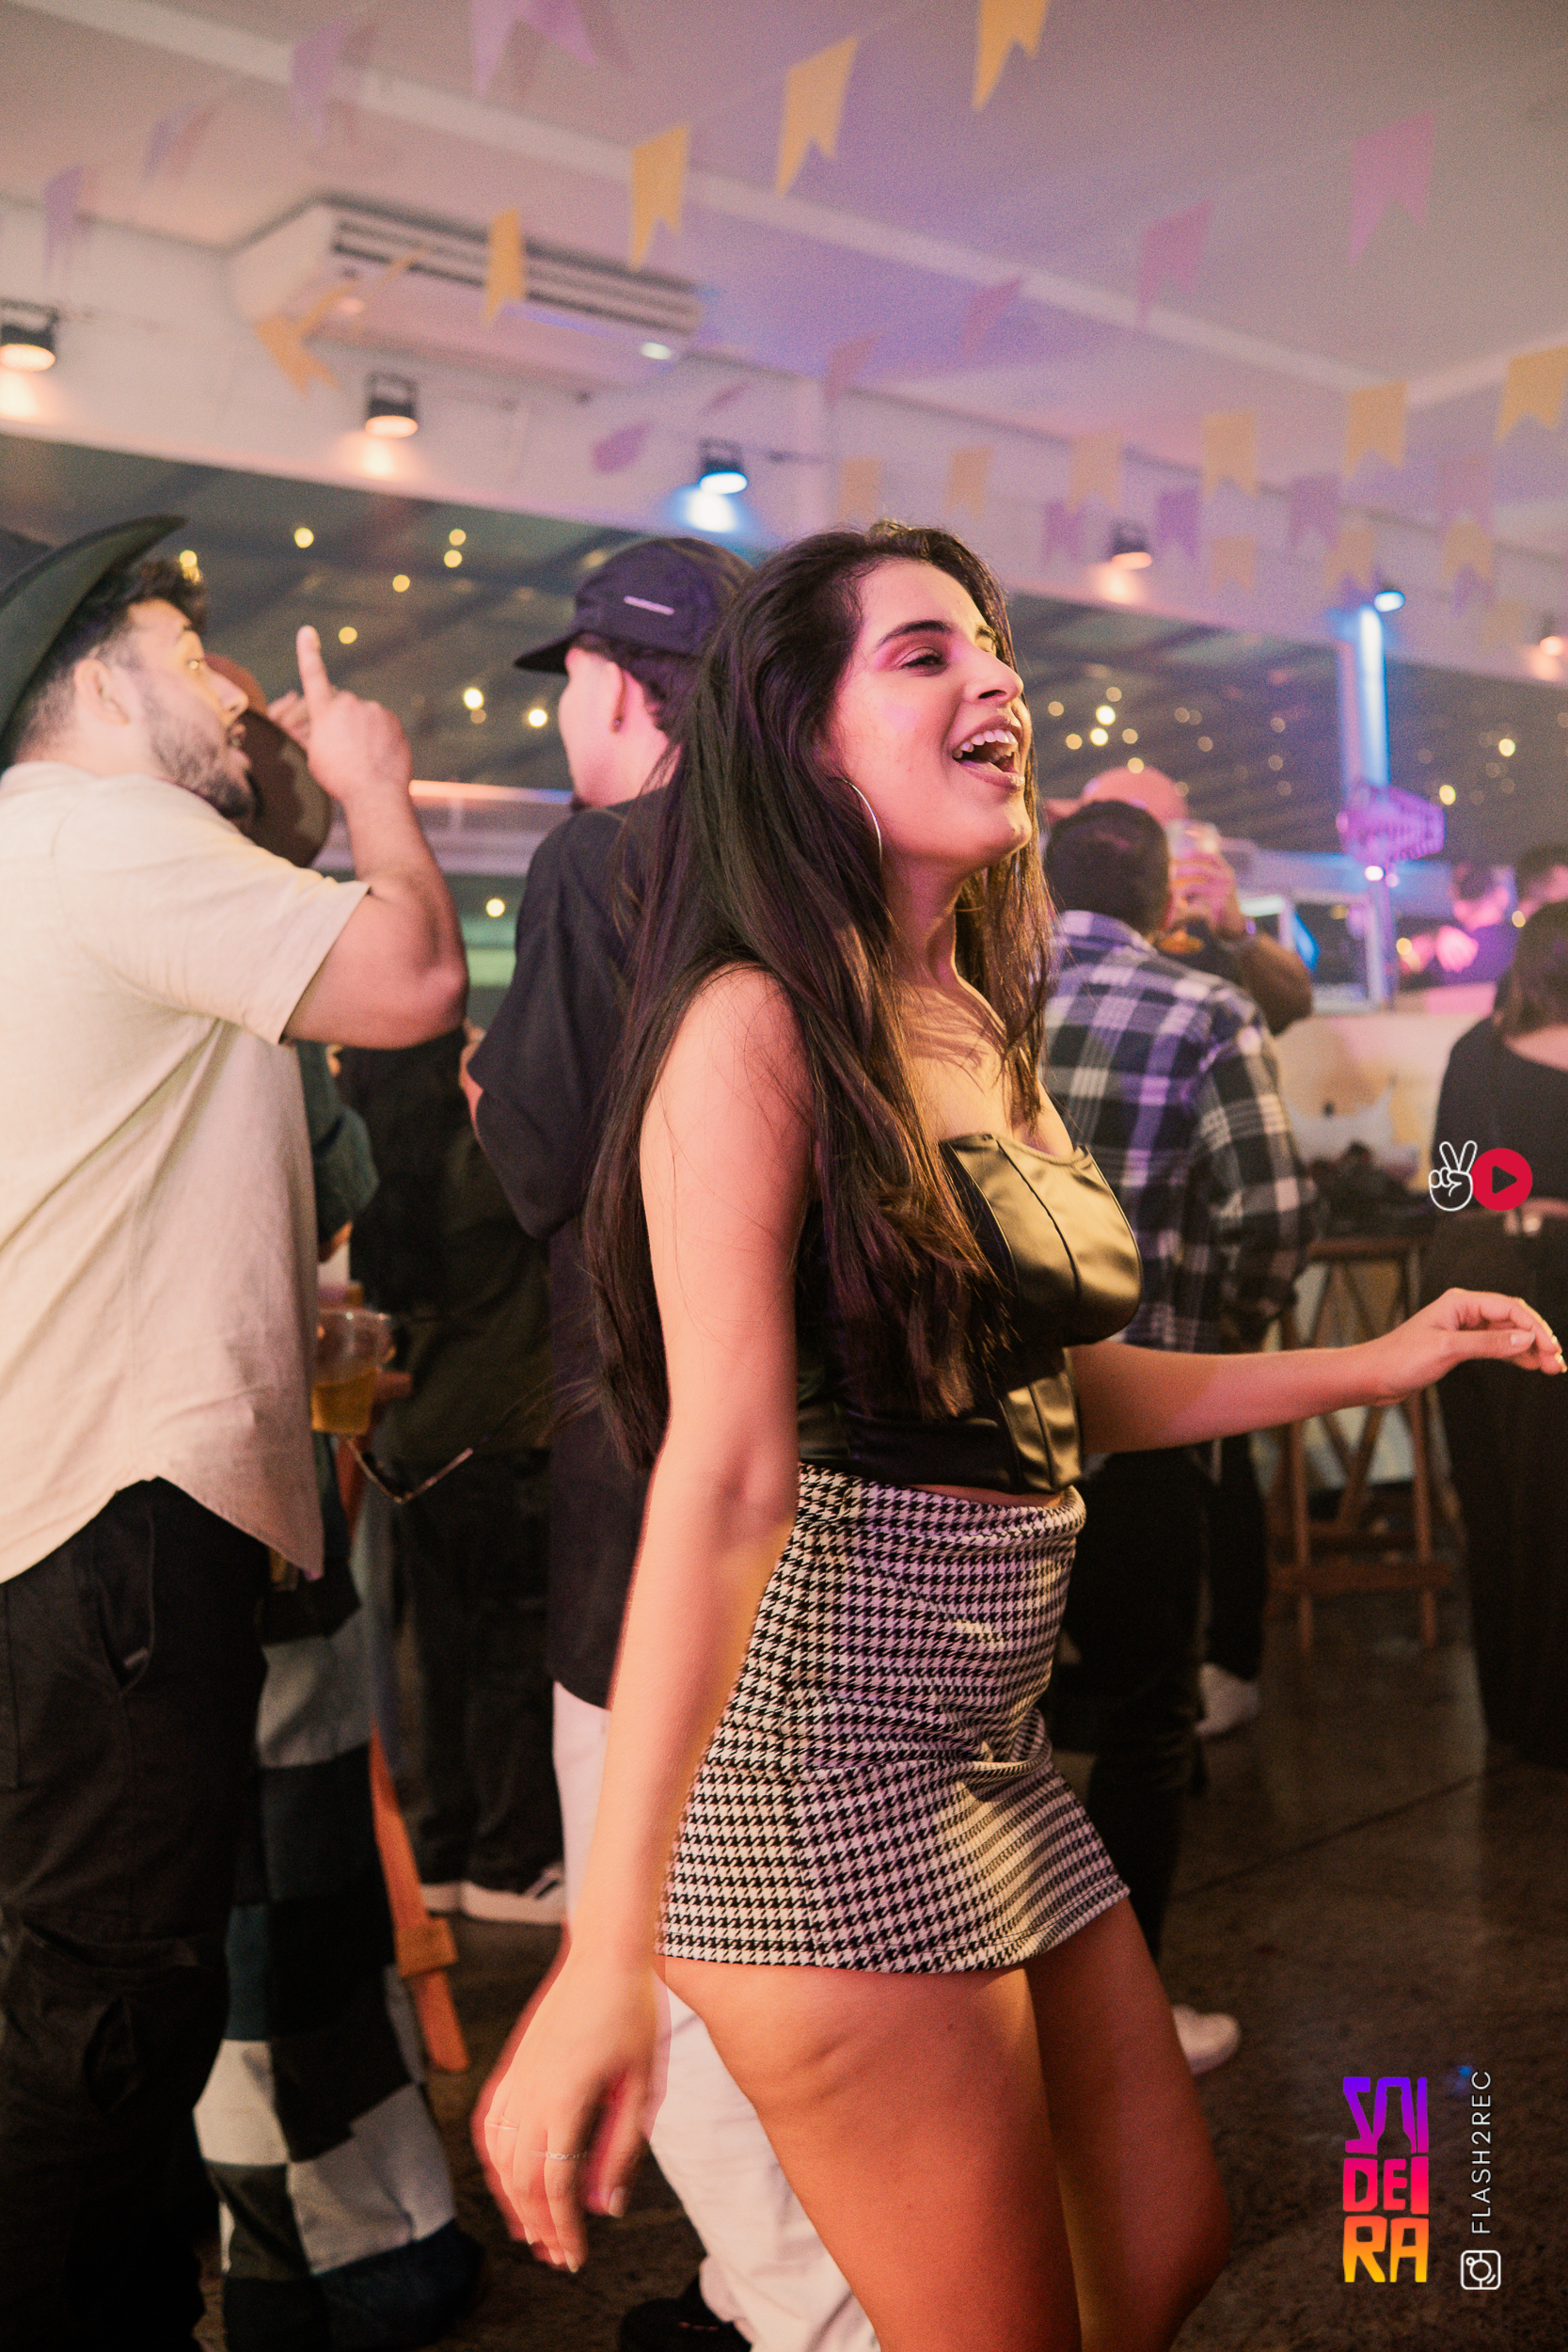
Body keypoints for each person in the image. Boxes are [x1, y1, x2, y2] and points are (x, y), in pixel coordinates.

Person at [473, 523, 1560, 2352]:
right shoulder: (748, 1023)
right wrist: (603, 1949)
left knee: (1156, 2245)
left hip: (989, 1749)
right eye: (923, 653)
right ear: (797, 732)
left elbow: (1052, 1389)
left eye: (992, 647)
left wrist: (1369, 1363)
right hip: (821, 1773)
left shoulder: (965, 1009)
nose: (996, 678)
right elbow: (722, 1476)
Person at [0, 517, 467, 2349]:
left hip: (72, 1504)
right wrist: (375, 788)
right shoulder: (99, 827)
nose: (235, 689)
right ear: (100, 684)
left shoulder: (48, 856)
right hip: (114, 1507)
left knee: (94, 1982)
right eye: (192, 654)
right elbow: (409, 977)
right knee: (110, 2003)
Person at [470, 538, 875, 2352]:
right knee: (801, 1940)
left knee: (674, 1951)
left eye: (569, 678)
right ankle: (779, 2290)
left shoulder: (596, 858)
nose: (562, 712)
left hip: (652, 1477)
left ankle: (807, 2312)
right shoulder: (817, 873)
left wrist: (489, 1091)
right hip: (835, 1486)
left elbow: (539, 1162)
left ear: (627, 691)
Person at [196, 1039, 483, 2352]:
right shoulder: (230, 1017)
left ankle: (223, 2226)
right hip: (232, 1502)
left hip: (51, 1525)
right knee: (280, 1893)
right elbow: (329, 1177)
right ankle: (345, 2255)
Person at [1040, 799, 1317, 2067]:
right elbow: (1274, 1212)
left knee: (987, 1732)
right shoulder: (1203, 1008)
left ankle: (1003, 2025)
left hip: (970, 1437)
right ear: (1161, 902)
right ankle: (1118, 2026)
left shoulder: (961, 996)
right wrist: (1215, 1341)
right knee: (1145, 1724)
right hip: (1141, 1429)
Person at [336, 1030, 561, 1924]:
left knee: (443, 1657)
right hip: (500, 1436)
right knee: (510, 1655)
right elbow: (559, 1185)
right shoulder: (482, 1158)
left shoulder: (379, 1160)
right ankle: (509, 1863)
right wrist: (489, 1072)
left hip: (417, 1444)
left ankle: (445, 1849)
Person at [1426, 899, 1568, 1768]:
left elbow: (1447, 1187)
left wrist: (1506, 1195)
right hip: (1553, 1282)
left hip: (1469, 1277)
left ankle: (1512, 1714)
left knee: (1495, 1505)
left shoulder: (1472, 1052)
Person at [1046, 765, 1313, 1034]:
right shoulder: (1056, 916)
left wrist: (1239, 932)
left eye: (1091, 829)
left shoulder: (1205, 927)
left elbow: (1293, 1007)